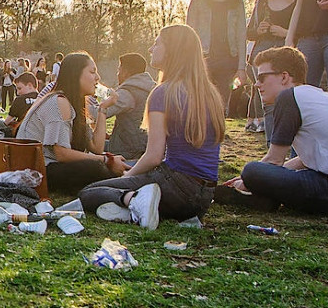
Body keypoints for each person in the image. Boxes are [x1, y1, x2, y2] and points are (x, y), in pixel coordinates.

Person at [81, 26, 225, 229]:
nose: (151, 49)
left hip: (174, 186)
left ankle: (133, 201)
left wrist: (128, 177)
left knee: (88, 192)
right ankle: (137, 209)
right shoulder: (210, 94)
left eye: (157, 43)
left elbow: (154, 156)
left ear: (172, 50)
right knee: (131, 167)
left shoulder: (164, 92)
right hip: (202, 199)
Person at [224, 46, 328, 217]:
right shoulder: (315, 98)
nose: (257, 84)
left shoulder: (289, 98)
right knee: (263, 173)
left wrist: (249, 180)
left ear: (284, 77)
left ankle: (262, 195)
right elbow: (305, 160)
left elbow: (274, 160)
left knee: (252, 170)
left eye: (262, 77)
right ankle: (266, 197)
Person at [16, 52, 126, 192]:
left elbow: (97, 148)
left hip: (52, 167)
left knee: (101, 164)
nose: (97, 78)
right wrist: (106, 160)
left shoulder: (76, 104)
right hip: (35, 170)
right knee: (97, 168)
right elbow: (62, 153)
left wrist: (103, 109)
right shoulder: (58, 101)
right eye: (92, 72)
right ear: (76, 74)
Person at [243, 0, 296, 132]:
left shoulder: (299, 0)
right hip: (263, 53)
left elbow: (309, 31)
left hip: (288, 51)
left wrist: (286, 33)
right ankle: (269, 132)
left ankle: (288, 129)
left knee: (288, 92)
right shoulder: (262, 3)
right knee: (265, 94)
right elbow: (249, 33)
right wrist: (258, 30)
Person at [186, 0, 246, 112]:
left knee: (223, 97)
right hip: (203, 56)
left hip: (228, 56)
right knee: (200, 96)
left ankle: (219, 129)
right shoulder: (198, 1)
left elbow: (241, 34)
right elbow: (189, 31)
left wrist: (241, 67)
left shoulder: (237, 3)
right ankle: (201, 129)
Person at [99, 52, 156, 160]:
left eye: (118, 70)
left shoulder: (128, 93)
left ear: (125, 72)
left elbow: (97, 114)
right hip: (145, 145)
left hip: (127, 151)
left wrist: (84, 100)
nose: (117, 74)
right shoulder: (150, 88)